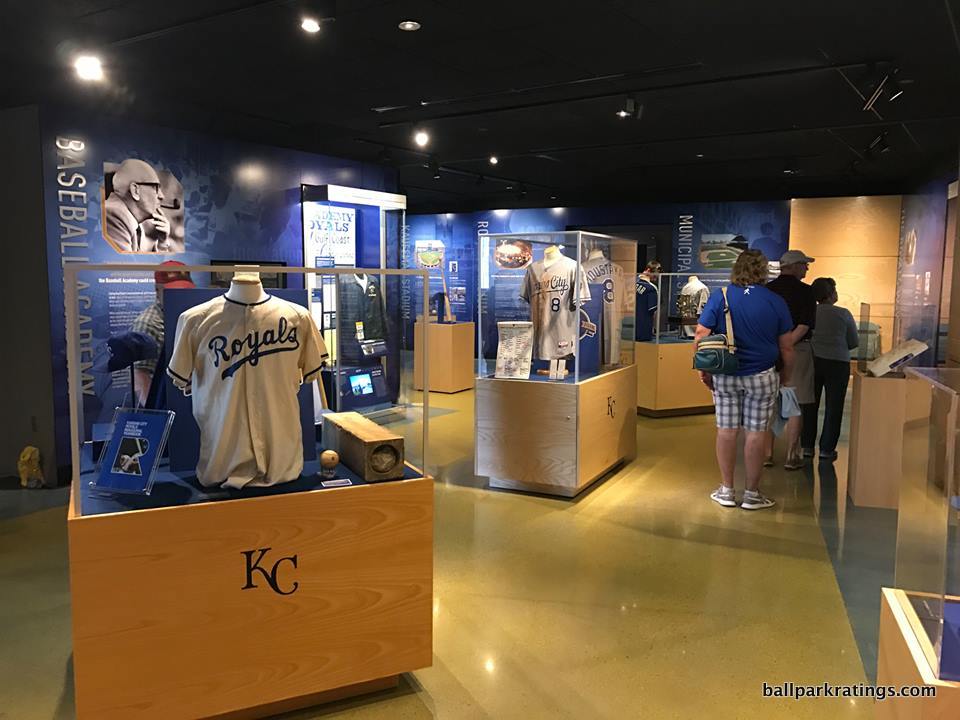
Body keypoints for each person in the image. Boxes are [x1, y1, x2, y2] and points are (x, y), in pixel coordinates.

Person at [695, 249, 795, 511]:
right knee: (756, 433)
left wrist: (703, 370)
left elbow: (700, 334)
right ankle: (752, 494)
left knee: (726, 431)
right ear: (763, 271)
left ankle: (727, 491)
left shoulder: (721, 296)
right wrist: (785, 377)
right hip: (763, 375)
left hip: (726, 375)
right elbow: (786, 347)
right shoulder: (776, 301)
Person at [765, 249, 817, 470]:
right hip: (798, 352)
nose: (806, 268)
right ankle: (791, 454)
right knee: (793, 402)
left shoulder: (767, 290)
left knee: (769, 404)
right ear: (794, 266)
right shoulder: (806, 292)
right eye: (804, 264)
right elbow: (804, 325)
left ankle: (767, 453)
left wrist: (776, 346)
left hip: (769, 352)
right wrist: (788, 344)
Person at [802, 277, 859, 461]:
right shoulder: (843, 314)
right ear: (831, 294)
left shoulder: (810, 311)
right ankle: (827, 449)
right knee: (834, 407)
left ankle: (807, 447)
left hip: (813, 360)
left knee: (810, 404)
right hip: (838, 363)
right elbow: (853, 342)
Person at [131, 261, 195, 406]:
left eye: (184, 290)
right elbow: (140, 375)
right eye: (173, 292)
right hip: (166, 401)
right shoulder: (148, 323)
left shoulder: (185, 315)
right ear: (157, 290)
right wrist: (155, 412)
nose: (180, 296)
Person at [103, 158, 171, 253]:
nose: (161, 196)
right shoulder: (114, 214)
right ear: (135, 190)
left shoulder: (132, 222)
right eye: (156, 188)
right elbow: (129, 265)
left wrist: (162, 243)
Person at [635, 260, 661, 342]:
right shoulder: (651, 288)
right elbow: (653, 311)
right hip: (643, 329)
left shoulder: (630, 281)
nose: (655, 278)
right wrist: (654, 328)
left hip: (627, 329)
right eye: (655, 275)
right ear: (649, 270)